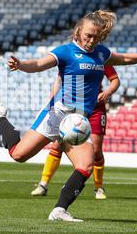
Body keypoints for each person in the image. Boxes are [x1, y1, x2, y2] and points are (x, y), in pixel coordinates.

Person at [0, 9, 137, 222]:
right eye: (88, 35)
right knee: (18, 155)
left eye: (96, 36)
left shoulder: (101, 53)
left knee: (86, 166)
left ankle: (59, 210)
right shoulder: (66, 51)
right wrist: (20, 65)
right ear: (78, 32)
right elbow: (39, 64)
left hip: (77, 122)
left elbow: (125, 58)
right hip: (56, 116)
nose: (91, 40)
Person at [31, 65, 120, 199]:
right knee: (57, 144)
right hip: (72, 106)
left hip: (95, 108)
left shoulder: (101, 58)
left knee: (96, 149)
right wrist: (52, 100)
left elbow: (115, 80)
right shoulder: (71, 59)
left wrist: (107, 92)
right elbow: (59, 80)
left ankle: (98, 187)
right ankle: (43, 184)